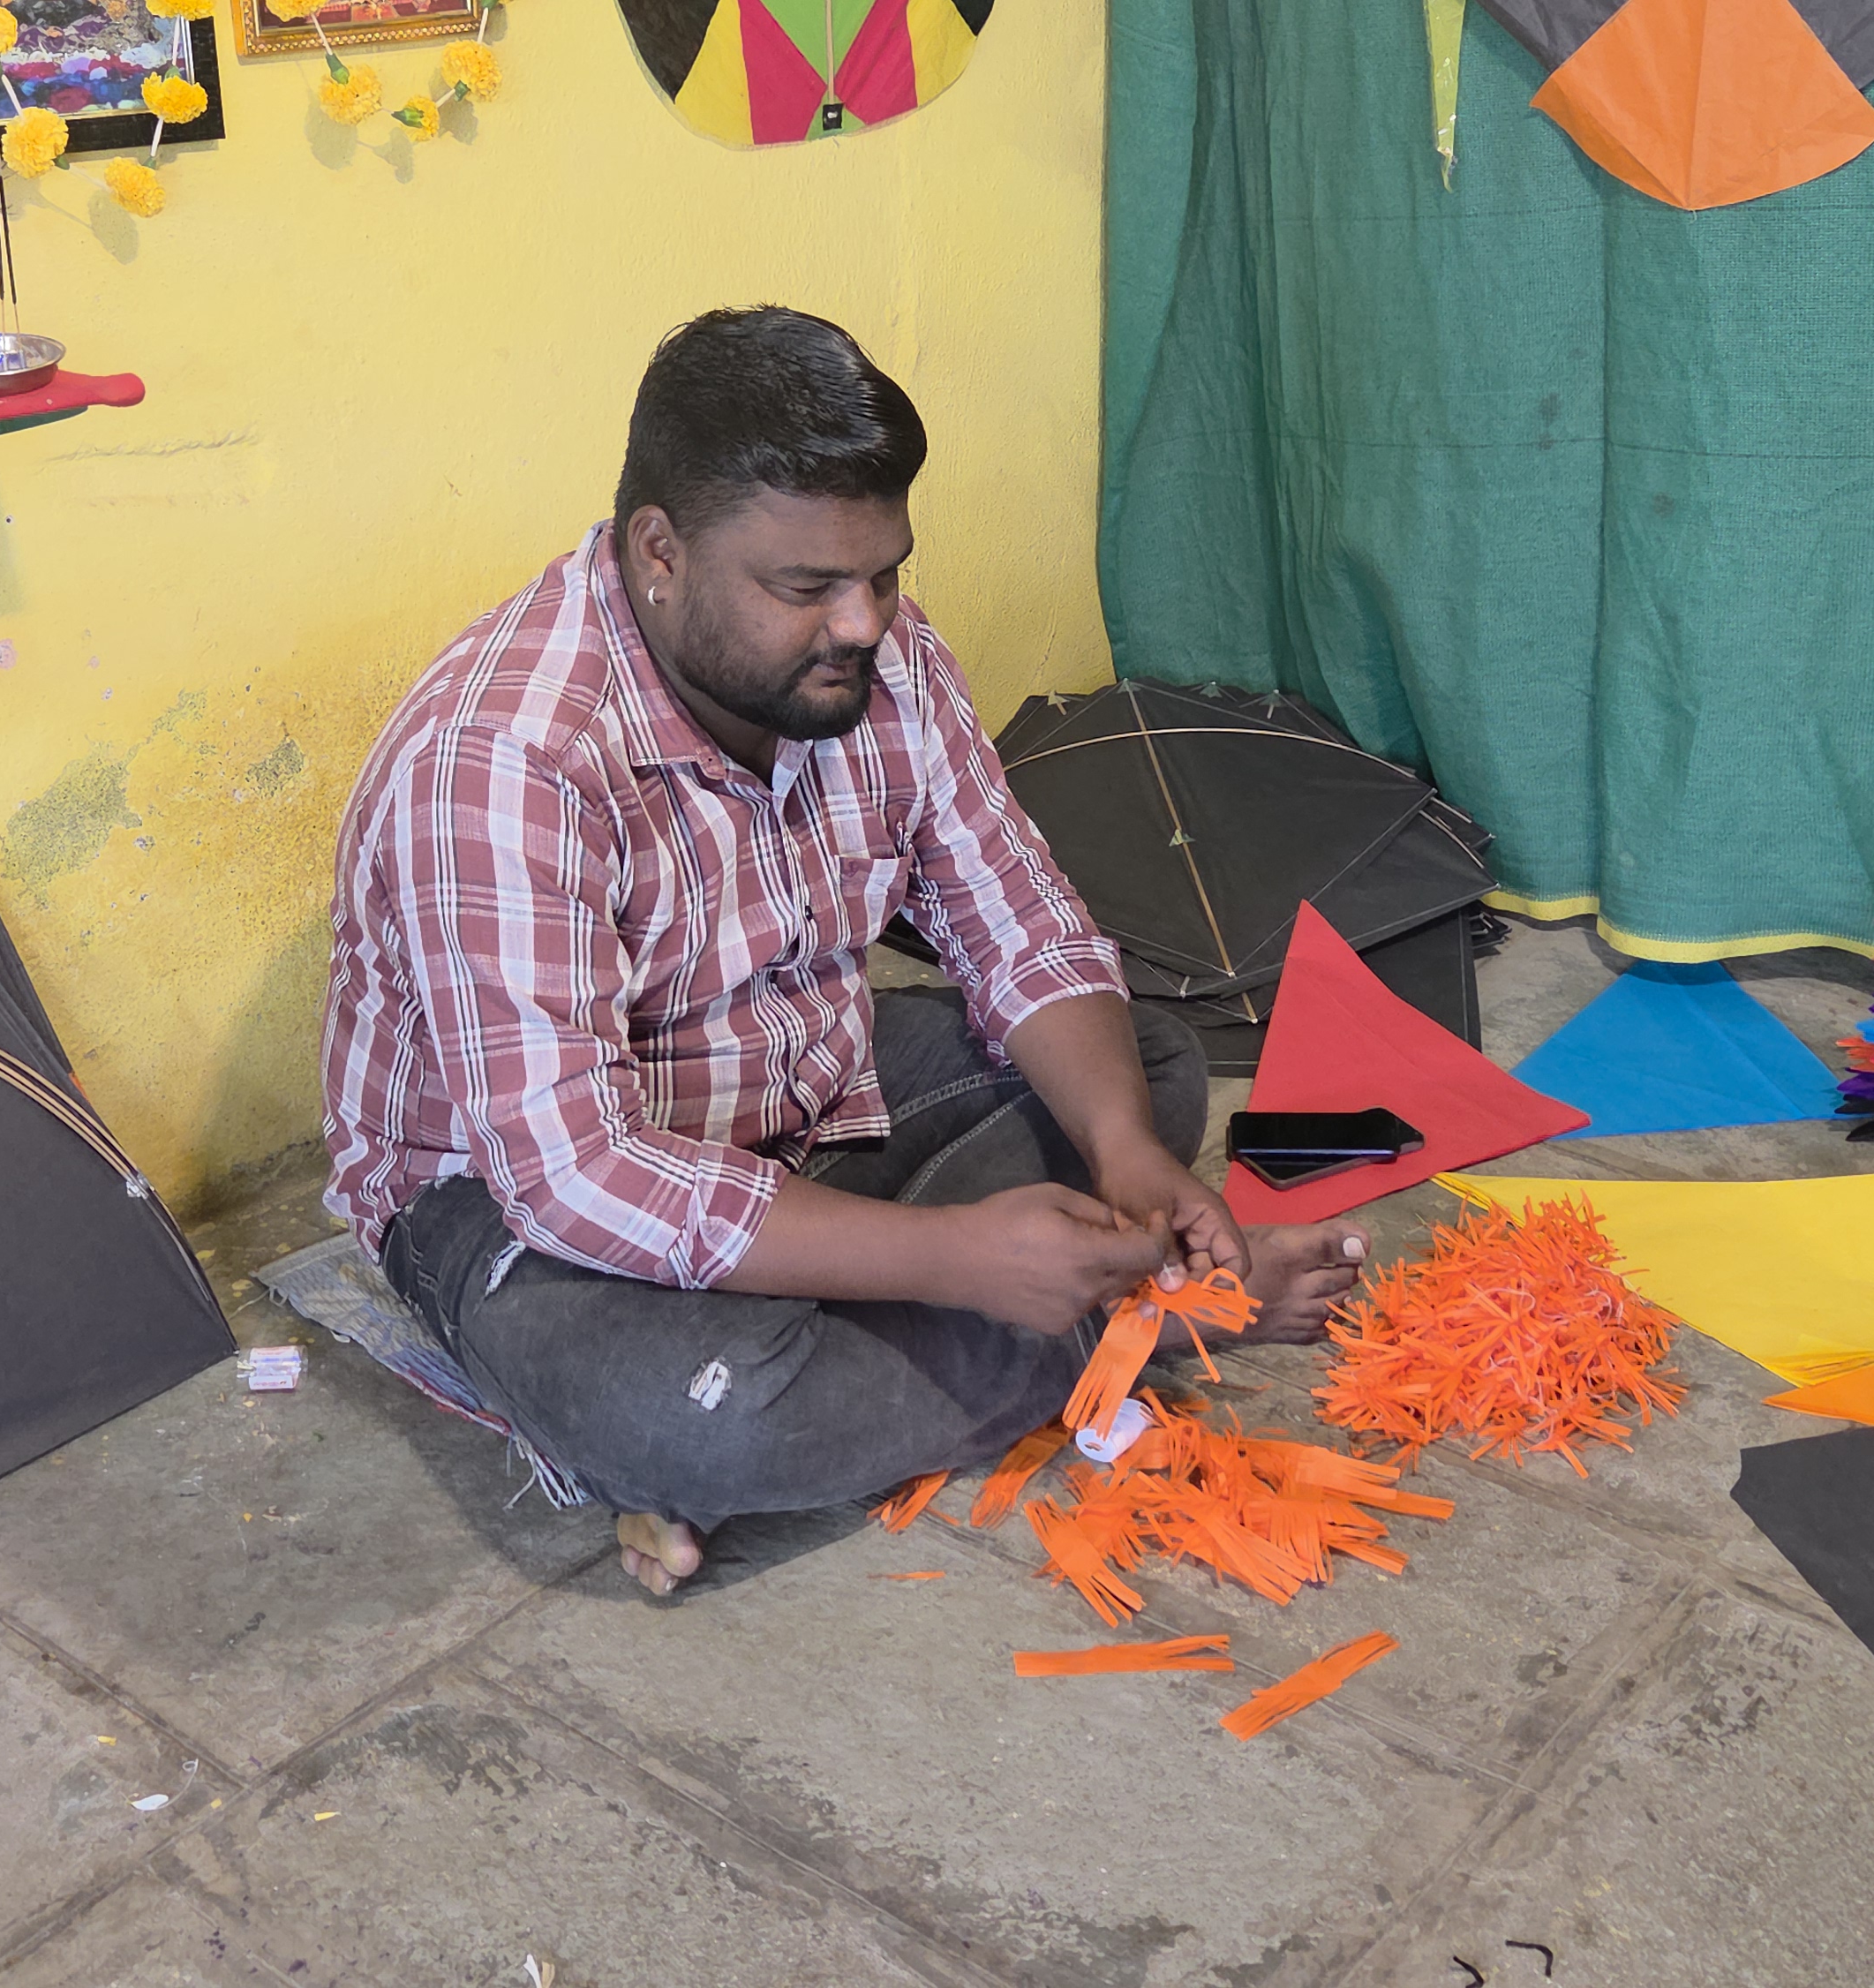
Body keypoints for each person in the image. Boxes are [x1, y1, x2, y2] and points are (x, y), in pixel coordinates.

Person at [320, 306, 1368, 1595]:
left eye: (886, 573)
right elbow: (573, 1173)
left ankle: (914, 1319)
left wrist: (1130, 1158)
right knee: (703, 1414)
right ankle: (1119, 1323)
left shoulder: (882, 658)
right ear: (661, 553)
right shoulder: (503, 758)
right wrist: (960, 1259)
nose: (865, 624)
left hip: (792, 1085)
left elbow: (1021, 922)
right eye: (807, 587)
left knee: (1139, 1066)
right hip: (503, 1200)